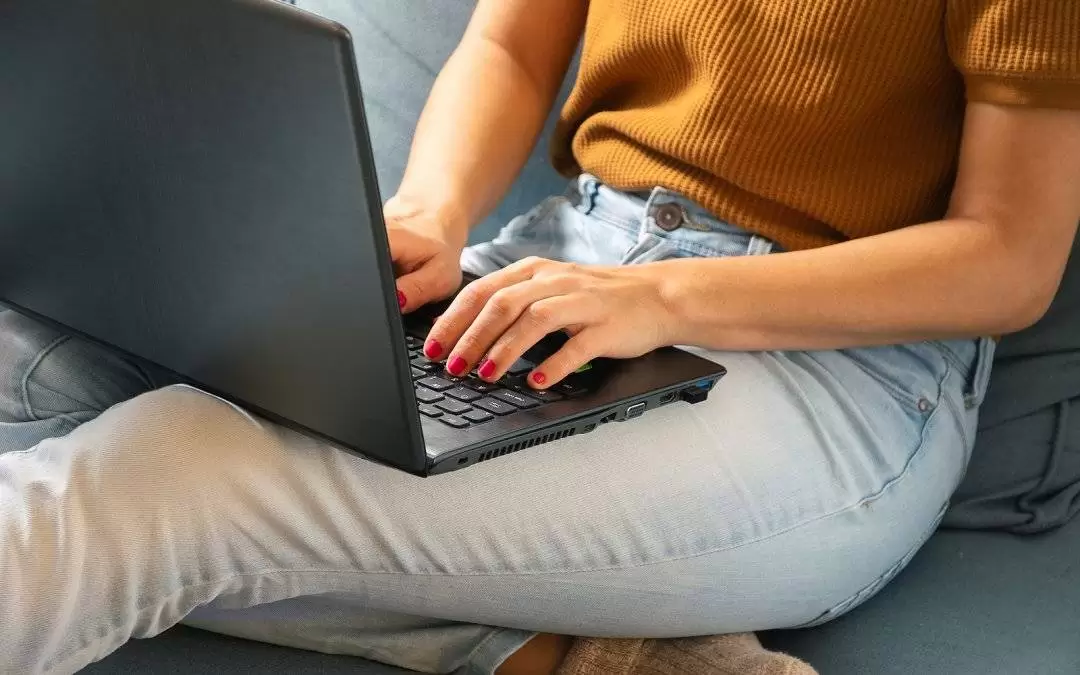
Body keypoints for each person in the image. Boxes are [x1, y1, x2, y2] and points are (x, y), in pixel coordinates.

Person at [2, 0, 1079, 673]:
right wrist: (431, 212)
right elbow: (512, 46)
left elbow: (1008, 258)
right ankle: (580, 653)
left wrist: (662, 302)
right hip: (548, 271)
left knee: (177, 474)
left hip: (827, 373)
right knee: (66, 374)